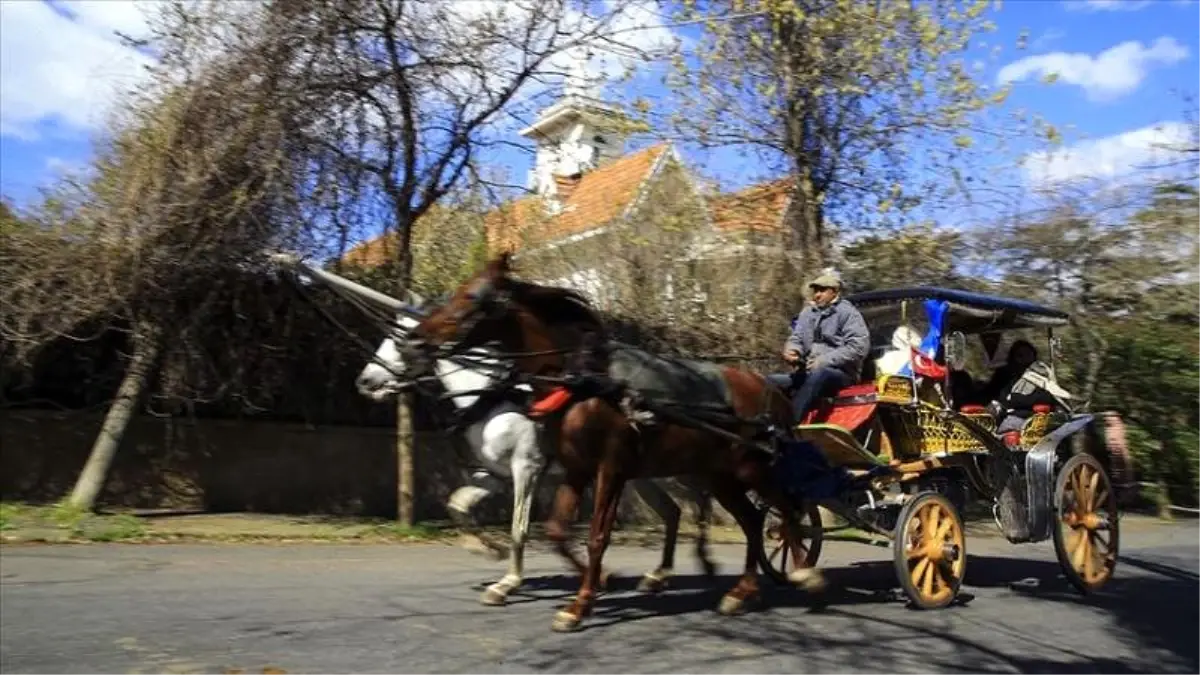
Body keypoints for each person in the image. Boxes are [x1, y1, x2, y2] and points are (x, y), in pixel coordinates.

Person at [767, 273, 870, 436]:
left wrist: (824, 361)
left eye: (822, 290)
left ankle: (788, 426)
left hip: (842, 375)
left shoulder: (848, 314)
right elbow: (797, 337)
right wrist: (792, 349)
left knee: (820, 374)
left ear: (835, 291)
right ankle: (765, 424)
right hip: (809, 372)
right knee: (770, 382)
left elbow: (858, 347)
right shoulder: (807, 313)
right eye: (815, 290)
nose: (817, 294)